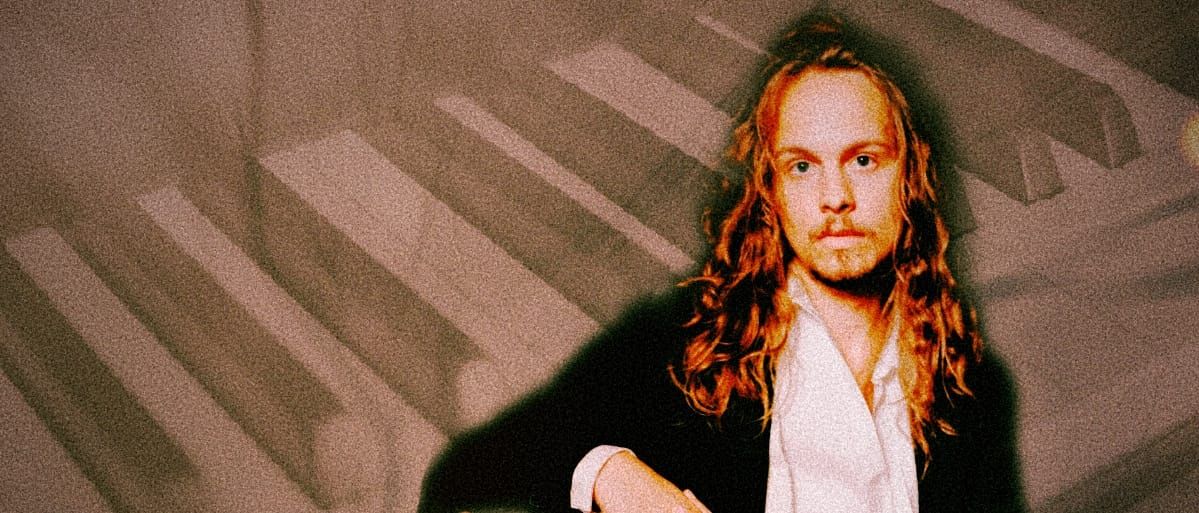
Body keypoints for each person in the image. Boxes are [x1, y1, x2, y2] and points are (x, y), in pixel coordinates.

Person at [419, 11, 1025, 513]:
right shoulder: (686, 342)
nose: (835, 196)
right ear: (771, 190)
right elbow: (462, 480)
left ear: (909, 176)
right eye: (802, 166)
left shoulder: (974, 391)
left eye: (864, 160)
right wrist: (612, 473)